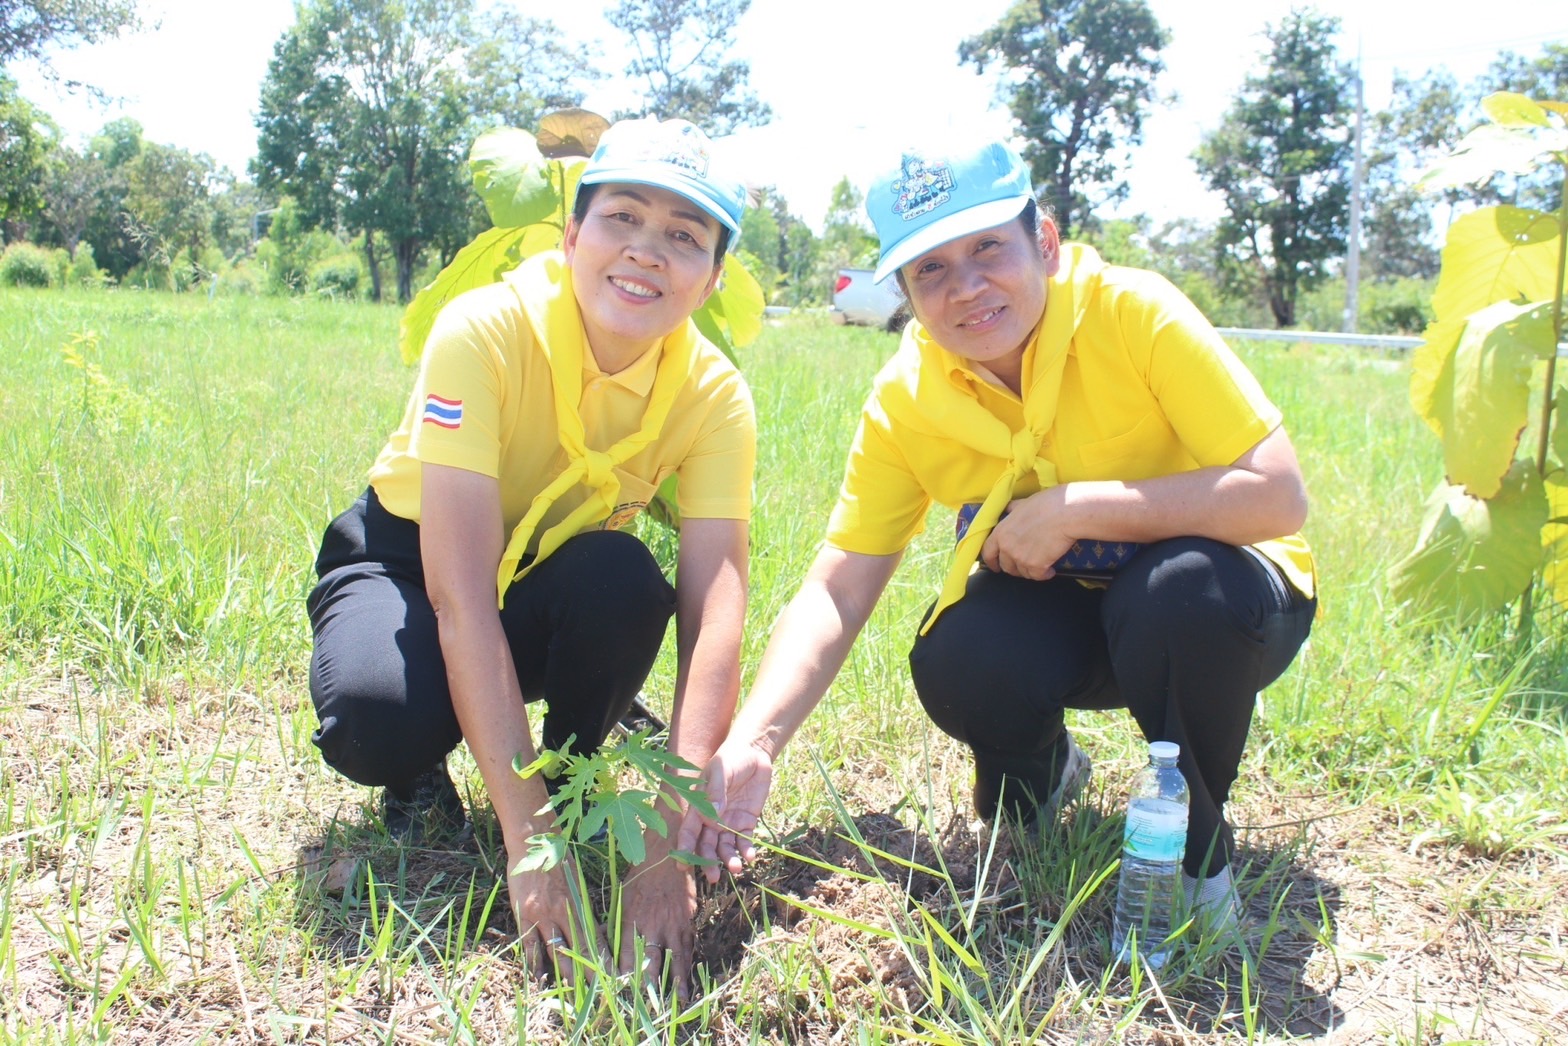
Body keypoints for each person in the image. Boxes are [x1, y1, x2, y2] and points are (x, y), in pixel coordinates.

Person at [680, 137, 1317, 932]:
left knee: (1180, 592)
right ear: (907, 293)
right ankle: (1040, 786)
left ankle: (1195, 861)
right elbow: (838, 586)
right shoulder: (907, 396)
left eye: (988, 248)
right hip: (1071, 613)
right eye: (931, 270)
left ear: (1044, 243)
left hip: (1223, 609)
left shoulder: (1132, 313)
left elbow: (1277, 494)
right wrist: (756, 740)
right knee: (963, 649)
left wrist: (1078, 509)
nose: (967, 287)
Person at [306, 118, 755, 992]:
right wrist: (526, 838)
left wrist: (670, 832)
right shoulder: (483, 331)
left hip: (552, 568)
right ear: (573, 236)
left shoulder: (714, 395)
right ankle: (425, 774)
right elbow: (461, 594)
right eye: (622, 217)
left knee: (624, 582)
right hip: (415, 564)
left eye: (684, 235)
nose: (646, 250)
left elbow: (717, 607)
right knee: (373, 716)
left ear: (712, 277)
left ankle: (574, 775)